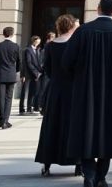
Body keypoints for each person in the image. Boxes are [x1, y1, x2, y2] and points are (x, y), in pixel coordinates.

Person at [62, 0, 112, 187]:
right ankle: (101, 176)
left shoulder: (83, 31)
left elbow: (67, 61)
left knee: (84, 132)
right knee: (108, 133)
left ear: (98, 8)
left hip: (85, 91)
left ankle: (90, 174)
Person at [35, 14, 81, 178]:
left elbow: (46, 68)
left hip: (55, 89)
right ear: (71, 26)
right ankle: (78, 164)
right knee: (74, 126)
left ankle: (47, 163)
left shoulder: (51, 45)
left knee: (51, 125)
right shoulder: (76, 44)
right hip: (73, 90)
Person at [0, 26, 20, 129]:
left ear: (3, 34)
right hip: (11, 75)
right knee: (8, 98)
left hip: (0, 75)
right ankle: (5, 120)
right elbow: (19, 62)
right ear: (12, 34)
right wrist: (15, 71)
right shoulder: (16, 46)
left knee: (0, 98)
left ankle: (2, 120)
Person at [20, 35, 41, 115]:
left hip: (34, 75)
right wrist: (36, 73)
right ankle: (22, 109)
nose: (38, 43)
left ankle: (29, 108)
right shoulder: (27, 50)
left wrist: (39, 72)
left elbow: (37, 63)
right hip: (27, 74)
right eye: (37, 41)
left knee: (32, 92)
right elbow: (27, 63)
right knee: (24, 92)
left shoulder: (37, 50)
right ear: (34, 41)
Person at [36, 31, 55, 111]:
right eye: (53, 37)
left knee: (43, 89)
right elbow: (42, 61)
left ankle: (40, 105)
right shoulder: (47, 47)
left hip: (47, 71)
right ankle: (40, 106)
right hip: (45, 72)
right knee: (43, 89)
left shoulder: (48, 46)